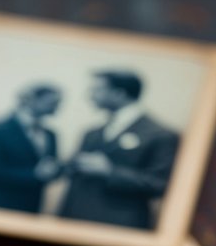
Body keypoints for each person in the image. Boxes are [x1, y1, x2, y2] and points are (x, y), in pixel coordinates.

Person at [58, 70, 180, 230]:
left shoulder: (161, 135)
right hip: (74, 221)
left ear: (118, 93)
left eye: (97, 90)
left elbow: (159, 184)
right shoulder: (91, 133)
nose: (90, 95)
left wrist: (110, 171)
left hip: (120, 226)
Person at [0, 84, 63, 213]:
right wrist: (33, 175)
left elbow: (49, 167)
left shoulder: (51, 135)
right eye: (52, 101)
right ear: (30, 99)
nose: (56, 106)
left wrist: (59, 170)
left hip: (28, 209)